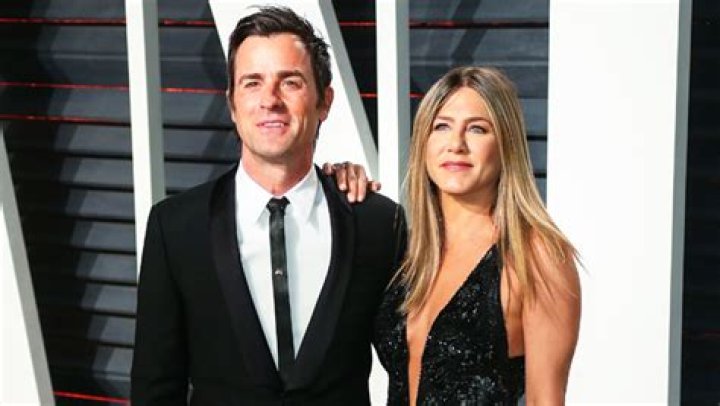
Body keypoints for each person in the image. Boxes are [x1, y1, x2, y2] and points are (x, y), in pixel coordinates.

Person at [131, 6, 405, 405]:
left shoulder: (378, 223)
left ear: (324, 101)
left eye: (290, 82)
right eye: (252, 83)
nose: (270, 100)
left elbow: (411, 370)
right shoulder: (175, 228)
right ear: (232, 103)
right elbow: (155, 389)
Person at [373, 67, 581, 405]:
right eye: (442, 126)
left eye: (477, 129)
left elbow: (545, 400)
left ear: (506, 145)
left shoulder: (536, 255)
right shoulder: (407, 252)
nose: (456, 145)